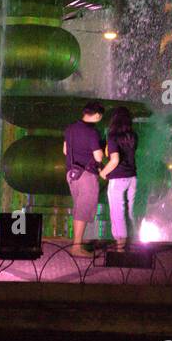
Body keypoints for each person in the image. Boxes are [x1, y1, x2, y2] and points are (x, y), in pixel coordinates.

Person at [63, 102, 106, 257]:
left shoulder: (70, 128)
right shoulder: (92, 132)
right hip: (86, 175)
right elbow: (97, 156)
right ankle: (76, 247)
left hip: (72, 174)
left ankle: (78, 242)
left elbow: (65, 150)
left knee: (79, 208)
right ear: (97, 115)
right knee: (84, 209)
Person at [100, 105, 139, 250]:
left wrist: (103, 172)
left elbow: (114, 159)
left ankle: (120, 248)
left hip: (118, 179)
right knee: (130, 211)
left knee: (117, 212)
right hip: (132, 178)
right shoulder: (133, 136)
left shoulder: (113, 137)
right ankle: (132, 243)